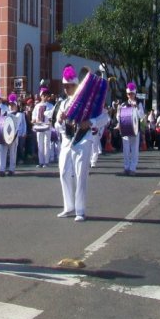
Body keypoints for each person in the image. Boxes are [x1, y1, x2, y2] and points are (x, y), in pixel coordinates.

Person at [54, 66, 109, 222]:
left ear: (76, 85)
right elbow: (57, 126)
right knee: (64, 172)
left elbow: (105, 119)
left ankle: (80, 209)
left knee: (80, 175)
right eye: (64, 86)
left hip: (82, 140)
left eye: (69, 86)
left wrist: (90, 122)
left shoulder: (88, 102)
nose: (66, 89)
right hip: (66, 141)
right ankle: (69, 206)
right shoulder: (63, 104)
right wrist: (60, 121)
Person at [116, 82, 144, 175]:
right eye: (129, 94)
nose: (130, 95)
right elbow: (118, 116)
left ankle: (132, 168)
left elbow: (142, 116)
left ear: (135, 93)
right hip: (125, 130)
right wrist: (118, 118)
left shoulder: (139, 103)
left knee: (135, 150)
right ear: (127, 94)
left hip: (135, 130)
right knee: (126, 150)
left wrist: (136, 107)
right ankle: (126, 167)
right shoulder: (123, 104)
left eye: (132, 93)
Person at [0, 93, 23, 177]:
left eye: (13, 105)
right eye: (10, 105)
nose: (11, 106)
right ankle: (2, 169)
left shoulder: (19, 114)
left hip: (13, 137)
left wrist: (7, 114)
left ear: (16, 105)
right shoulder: (5, 113)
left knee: (12, 153)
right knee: (2, 152)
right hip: (4, 135)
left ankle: (12, 169)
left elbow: (16, 122)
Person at [31, 87, 53, 168]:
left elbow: (52, 116)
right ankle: (41, 161)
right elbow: (34, 116)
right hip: (39, 126)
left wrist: (50, 121)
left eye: (46, 95)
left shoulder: (50, 105)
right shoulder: (37, 106)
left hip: (47, 126)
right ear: (41, 96)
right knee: (40, 144)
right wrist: (34, 120)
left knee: (46, 144)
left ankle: (46, 162)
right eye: (44, 95)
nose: (45, 97)